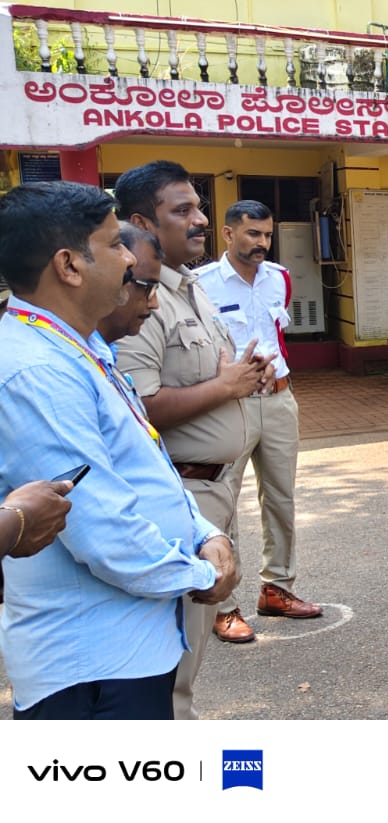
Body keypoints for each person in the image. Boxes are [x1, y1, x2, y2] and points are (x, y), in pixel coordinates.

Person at [0, 180, 238, 719]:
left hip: (126, 652)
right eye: (114, 244)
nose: (130, 256)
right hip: (94, 669)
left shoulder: (78, 346)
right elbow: (100, 527)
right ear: (69, 265)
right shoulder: (38, 371)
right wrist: (203, 574)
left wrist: (208, 533)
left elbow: (143, 465)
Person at [114, 162, 270, 668]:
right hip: (184, 491)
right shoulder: (139, 300)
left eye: (199, 207)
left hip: (217, 488)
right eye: (183, 211)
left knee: (191, 655)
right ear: (142, 222)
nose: (201, 220)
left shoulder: (189, 285)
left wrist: (244, 378)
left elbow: (210, 378)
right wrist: (225, 386)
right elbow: (136, 409)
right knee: (175, 662)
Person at [196, 200, 324, 632]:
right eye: (252, 234)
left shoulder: (279, 279)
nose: (262, 243)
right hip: (230, 405)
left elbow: (276, 335)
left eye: (267, 235)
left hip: (279, 399)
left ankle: (278, 588)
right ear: (228, 234)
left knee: (281, 498)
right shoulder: (202, 285)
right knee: (222, 503)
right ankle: (222, 603)